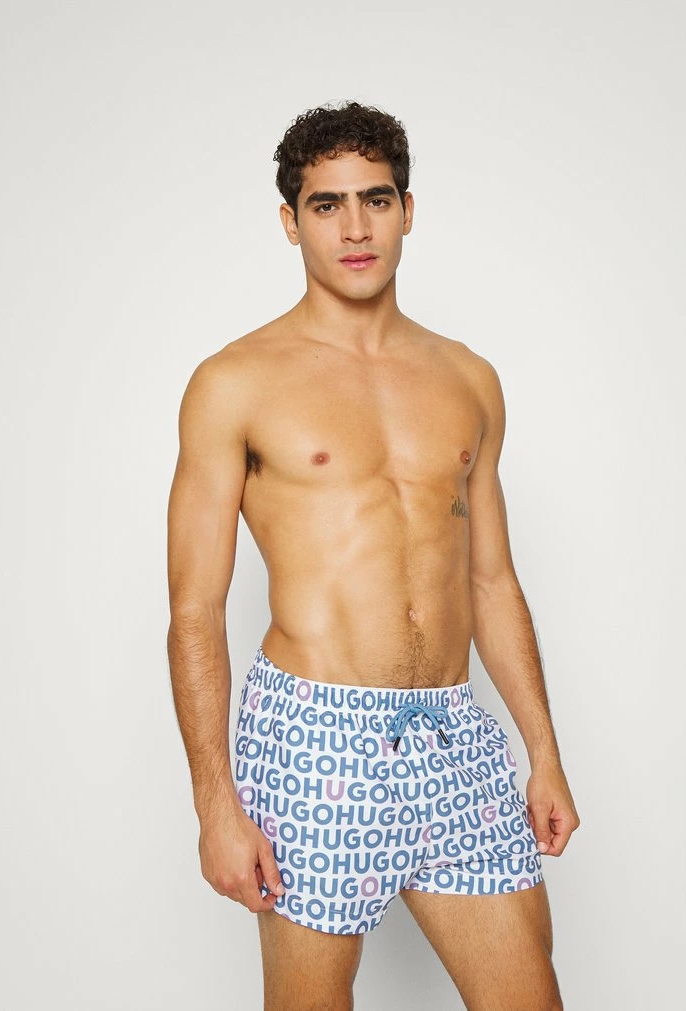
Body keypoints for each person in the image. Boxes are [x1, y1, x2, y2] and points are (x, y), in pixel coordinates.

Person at [166, 99, 579, 1010]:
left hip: (454, 735)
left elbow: (491, 579)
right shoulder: (235, 382)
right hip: (313, 741)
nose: (355, 228)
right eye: (327, 205)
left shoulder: (467, 377)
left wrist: (543, 752)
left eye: (376, 200)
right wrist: (215, 806)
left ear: (407, 210)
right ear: (291, 222)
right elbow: (195, 607)